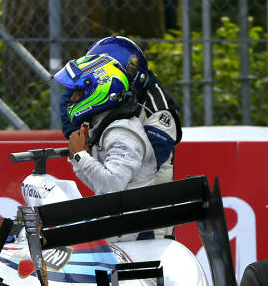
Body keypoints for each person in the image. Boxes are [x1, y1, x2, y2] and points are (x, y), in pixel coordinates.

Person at [54, 45, 181, 239]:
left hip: (148, 222)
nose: (74, 96)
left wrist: (83, 155)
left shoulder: (159, 110)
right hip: (119, 216)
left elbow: (140, 170)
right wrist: (81, 140)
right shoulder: (98, 92)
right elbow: (70, 105)